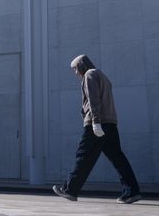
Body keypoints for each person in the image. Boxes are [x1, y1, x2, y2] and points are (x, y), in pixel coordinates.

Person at [53, 54, 141, 204]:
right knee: (118, 158)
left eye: (75, 69)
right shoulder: (102, 76)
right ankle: (132, 192)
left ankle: (70, 190)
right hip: (110, 123)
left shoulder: (89, 75)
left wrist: (95, 122)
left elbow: (94, 100)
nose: (75, 73)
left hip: (97, 123)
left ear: (81, 65)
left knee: (83, 156)